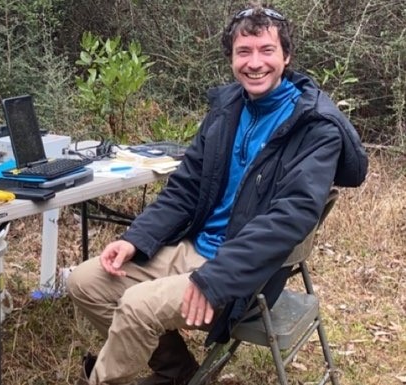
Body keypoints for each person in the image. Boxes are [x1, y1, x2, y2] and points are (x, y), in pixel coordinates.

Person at [68, 5, 368, 385]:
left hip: (243, 274)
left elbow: (287, 221)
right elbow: (186, 187)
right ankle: (179, 373)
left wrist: (213, 280)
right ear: (231, 58)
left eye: (266, 50)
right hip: (194, 249)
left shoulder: (314, 129)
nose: (254, 63)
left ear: (286, 57)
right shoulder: (227, 109)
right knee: (85, 280)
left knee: (137, 305)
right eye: (244, 52)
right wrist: (134, 239)